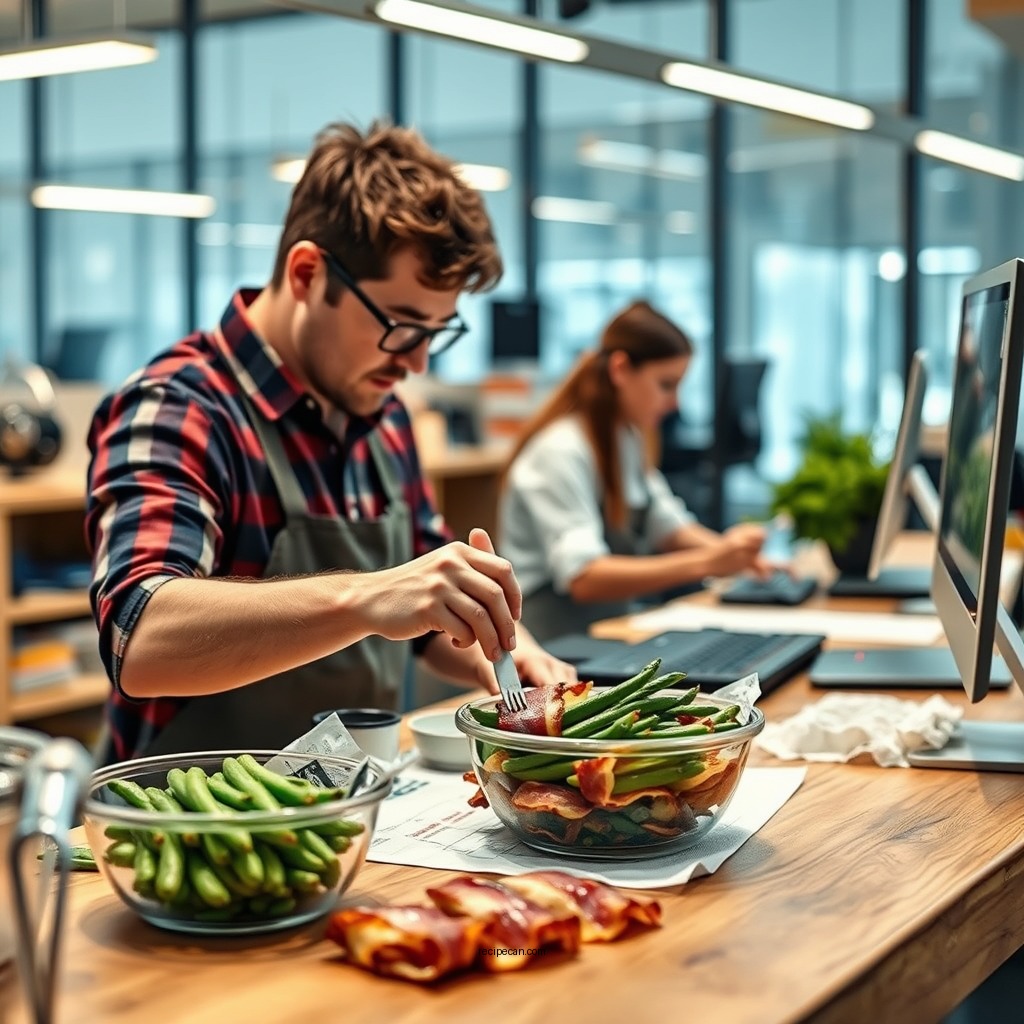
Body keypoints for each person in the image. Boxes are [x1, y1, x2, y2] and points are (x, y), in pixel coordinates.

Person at [85, 121, 573, 762]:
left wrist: (510, 649)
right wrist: (369, 597)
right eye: (400, 325)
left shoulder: (382, 412)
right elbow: (140, 637)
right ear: (309, 273)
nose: (417, 361)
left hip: (348, 808)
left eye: (437, 331)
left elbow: (424, 607)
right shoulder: (177, 408)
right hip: (186, 827)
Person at [500, 300, 772, 643]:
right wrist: (708, 562)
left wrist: (740, 558)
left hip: (602, 637)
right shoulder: (560, 451)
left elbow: (668, 525)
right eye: (666, 384)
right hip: (551, 651)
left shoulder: (626, 438)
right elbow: (583, 576)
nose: (675, 404)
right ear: (620, 369)